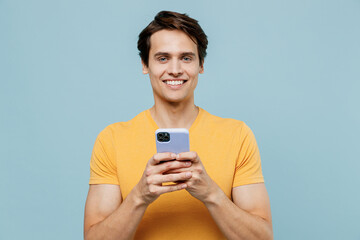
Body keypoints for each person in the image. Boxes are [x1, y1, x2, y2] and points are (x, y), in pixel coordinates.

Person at [84, 10, 273, 240]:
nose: (175, 69)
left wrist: (211, 193)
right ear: (145, 64)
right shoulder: (112, 140)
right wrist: (139, 196)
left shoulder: (237, 135)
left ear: (200, 64)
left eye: (186, 58)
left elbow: (262, 237)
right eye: (163, 58)